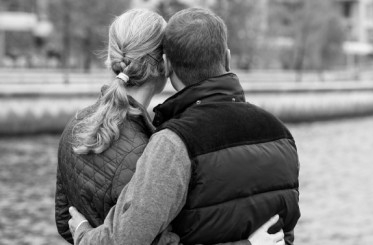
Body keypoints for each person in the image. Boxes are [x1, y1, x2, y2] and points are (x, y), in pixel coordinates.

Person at [69, 7, 300, 245]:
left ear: (167, 66)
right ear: (227, 58)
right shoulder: (281, 134)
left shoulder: (173, 143)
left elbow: (126, 240)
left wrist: (83, 235)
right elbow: (284, 234)